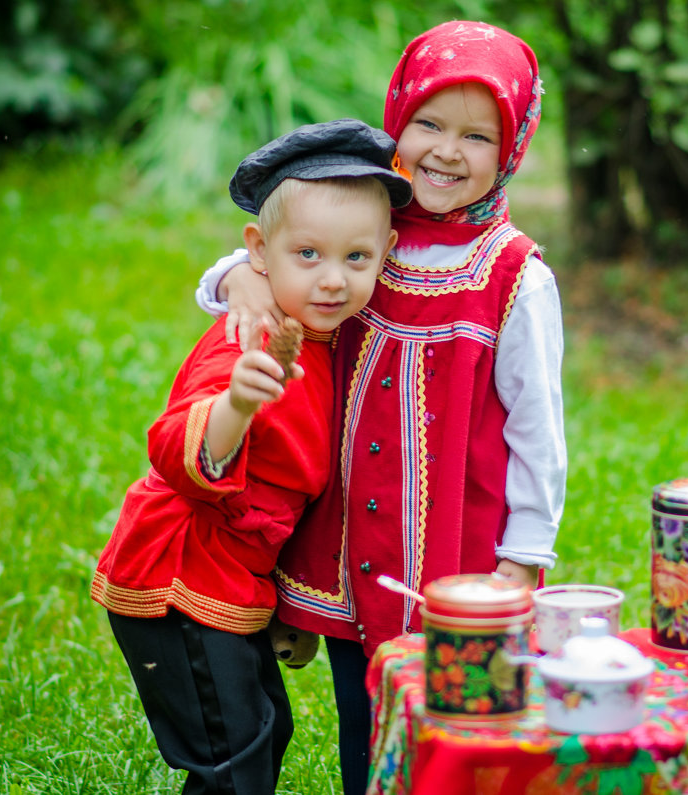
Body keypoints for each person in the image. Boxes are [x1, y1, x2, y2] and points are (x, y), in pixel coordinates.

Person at [194, 20, 566, 795]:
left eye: (476, 134)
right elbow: (283, 246)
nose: (445, 150)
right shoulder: (373, 233)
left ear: (513, 149)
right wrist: (241, 280)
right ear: (396, 118)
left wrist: (522, 561)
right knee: (363, 720)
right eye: (427, 122)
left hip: (458, 560)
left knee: (453, 731)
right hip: (349, 553)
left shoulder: (511, 274)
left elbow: (538, 430)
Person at [91, 118, 411, 795]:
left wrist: (284, 608)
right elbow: (176, 449)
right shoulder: (249, 339)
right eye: (308, 255)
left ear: (386, 252)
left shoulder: (327, 335)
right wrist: (236, 403)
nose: (333, 279)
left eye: (357, 258)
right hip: (178, 579)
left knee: (262, 733)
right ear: (260, 251)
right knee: (232, 755)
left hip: (233, 583)